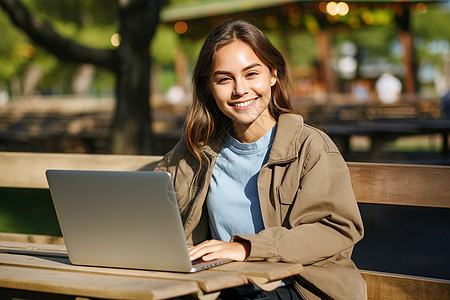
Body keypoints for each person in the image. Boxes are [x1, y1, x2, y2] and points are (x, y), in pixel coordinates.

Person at [155, 19, 366, 299]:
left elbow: (336, 228)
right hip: (221, 287)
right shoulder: (197, 150)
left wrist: (247, 248)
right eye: (224, 78)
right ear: (209, 87)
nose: (240, 89)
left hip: (291, 289)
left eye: (251, 74)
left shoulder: (310, 146)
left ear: (273, 75)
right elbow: (152, 198)